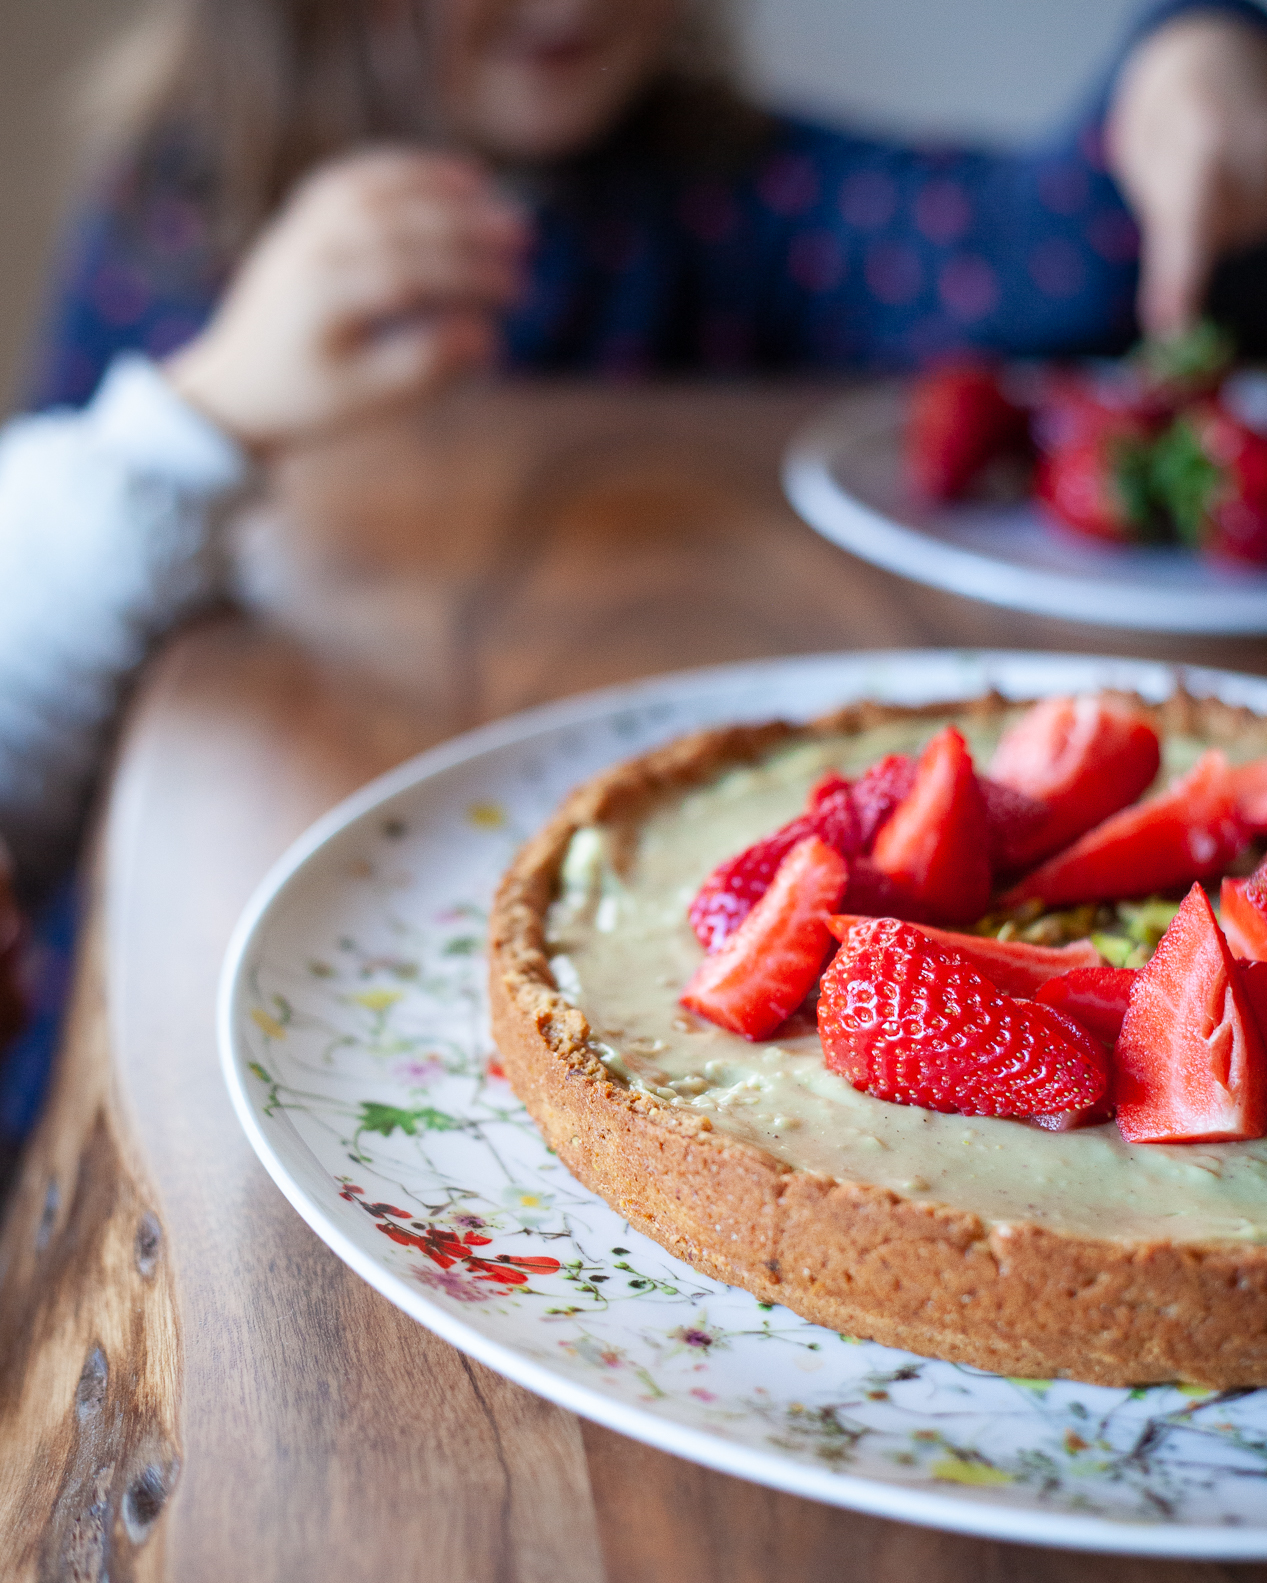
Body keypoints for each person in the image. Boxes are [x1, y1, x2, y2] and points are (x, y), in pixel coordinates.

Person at [1, 0, 1267, 1145]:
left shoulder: (745, 195)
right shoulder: (177, 216)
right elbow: (49, 609)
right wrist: (210, 399)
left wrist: (1190, 53)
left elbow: (1063, 247)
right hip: (185, 976)